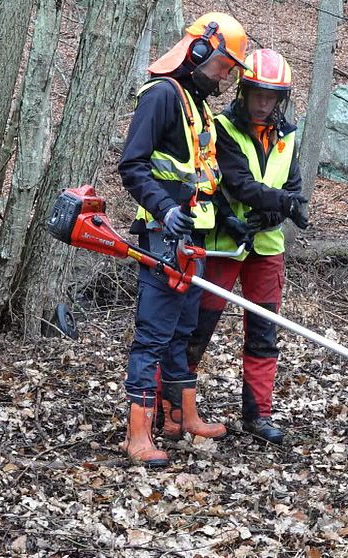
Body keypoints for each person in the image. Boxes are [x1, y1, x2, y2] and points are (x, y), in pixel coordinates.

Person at [117, 13, 248, 466]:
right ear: (199, 52)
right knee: (154, 334)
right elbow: (132, 166)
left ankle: (182, 417)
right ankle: (138, 434)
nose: (226, 78)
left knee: (183, 332)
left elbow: (204, 177)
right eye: (224, 68)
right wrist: (165, 209)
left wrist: (229, 220)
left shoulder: (196, 103)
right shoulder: (160, 98)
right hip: (162, 236)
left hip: (196, 236)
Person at [185, 48, 309, 446]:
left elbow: (292, 187)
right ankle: (170, 406)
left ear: (280, 99)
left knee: (264, 332)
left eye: (270, 97)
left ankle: (259, 414)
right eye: (256, 94)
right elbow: (237, 184)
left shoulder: (288, 136)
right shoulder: (221, 128)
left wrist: (272, 215)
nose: (262, 103)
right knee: (197, 329)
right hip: (224, 245)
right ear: (243, 91)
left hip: (267, 248)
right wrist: (282, 206)